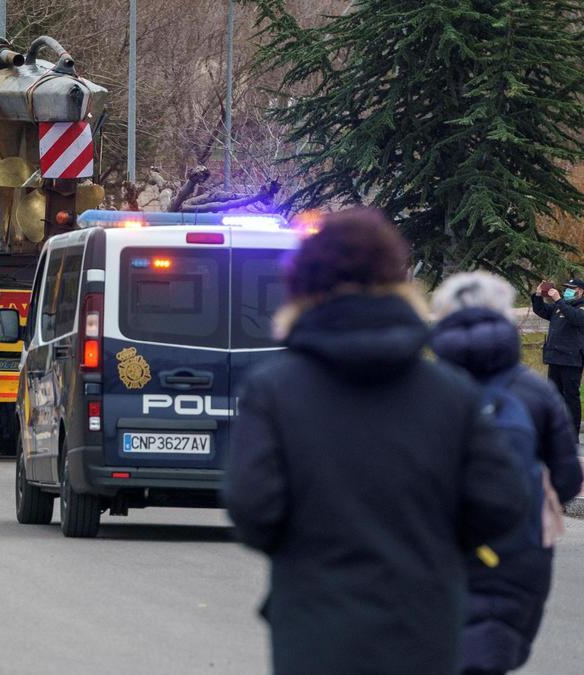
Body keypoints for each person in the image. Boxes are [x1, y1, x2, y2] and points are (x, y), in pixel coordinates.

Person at [223, 208, 527, 675]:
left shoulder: (274, 391)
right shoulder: (453, 394)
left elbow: (252, 507)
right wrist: (437, 546)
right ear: (398, 282)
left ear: (304, 289)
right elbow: (501, 503)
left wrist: (307, 554)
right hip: (424, 625)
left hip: (315, 626)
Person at [431, 272, 583, 675]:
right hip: (518, 549)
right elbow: (568, 480)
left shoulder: (419, 388)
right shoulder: (534, 393)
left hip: (434, 549)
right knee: (491, 653)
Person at [530, 278, 584, 435]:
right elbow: (541, 310)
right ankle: (556, 431)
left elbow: (576, 318)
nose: (567, 290)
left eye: (571, 288)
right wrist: (538, 295)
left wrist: (559, 300)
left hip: (572, 359)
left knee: (570, 396)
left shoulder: (579, 307)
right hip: (555, 357)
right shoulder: (560, 307)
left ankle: (572, 433)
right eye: (566, 288)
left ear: (580, 291)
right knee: (554, 396)